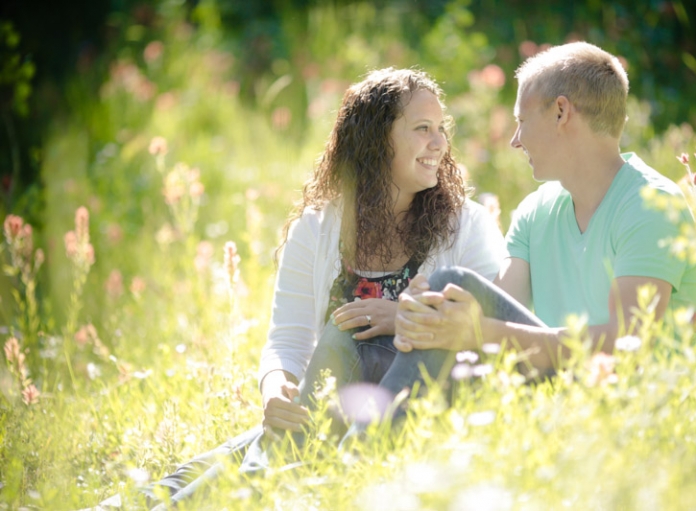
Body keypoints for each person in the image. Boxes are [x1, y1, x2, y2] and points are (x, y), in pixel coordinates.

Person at [89, 67, 506, 510]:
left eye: (441, 129)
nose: (440, 143)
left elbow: (494, 331)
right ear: (377, 139)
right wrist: (275, 390)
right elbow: (286, 340)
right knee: (205, 469)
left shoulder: (467, 227)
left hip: (410, 416)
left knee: (257, 449)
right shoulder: (318, 228)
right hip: (323, 409)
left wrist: (400, 315)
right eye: (423, 129)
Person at [394, 42, 696, 372]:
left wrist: (482, 331)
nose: (515, 140)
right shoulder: (535, 211)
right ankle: (371, 420)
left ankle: (380, 421)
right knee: (449, 288)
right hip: (552, 390)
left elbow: (628, 345)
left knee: (451, 288)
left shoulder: (649, 206)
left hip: (632, 408)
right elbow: (495, 311)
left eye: (522, 119)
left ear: (561, 112)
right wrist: (430, 307)